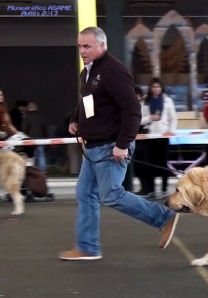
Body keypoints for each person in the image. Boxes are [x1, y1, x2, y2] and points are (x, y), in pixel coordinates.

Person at [59, 27, 179, 261]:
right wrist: (75, 120)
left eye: (87, 46)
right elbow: (87, 103)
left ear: (101, 46)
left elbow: (132, 110)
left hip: (110, 146)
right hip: (93, 147)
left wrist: (123, 144)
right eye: (80, 46)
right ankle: (87, 247)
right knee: (85, 193)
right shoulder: (88, 74)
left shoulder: (114, 71)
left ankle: (164, 217)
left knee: (112, 195)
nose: (82, 51)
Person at [140, 78, 177, 198]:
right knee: (149, 164)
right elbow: (139, 119)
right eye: (154, 87)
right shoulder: (145, 102)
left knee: (163, 163)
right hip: (149, 136)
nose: (156, 89)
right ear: (150, 88)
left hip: (163, 135)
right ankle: (151, 190)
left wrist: (170, 131)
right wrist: (150, 118)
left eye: (158, 87)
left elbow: (173, 118)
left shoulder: (168, 101)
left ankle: (164, 189)